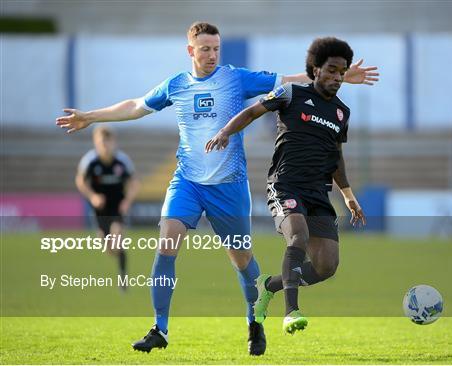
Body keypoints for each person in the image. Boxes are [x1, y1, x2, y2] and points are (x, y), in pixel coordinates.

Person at [56, 22, 378, 354]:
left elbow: (285, 81)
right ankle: (159, 328)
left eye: (216, 49)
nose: (212, 55)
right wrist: (91, 116)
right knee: (166, 244)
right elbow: (137, 106)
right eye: (206, 49)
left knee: (242, 262)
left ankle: (254, 321)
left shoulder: (235, 77)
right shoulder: (176, 85)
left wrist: (338, 77)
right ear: (190, 51)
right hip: (188, 182)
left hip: (229, 186)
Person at [206, 37, 367, 334]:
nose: (337, 77)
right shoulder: (291, 93)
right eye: (331, 70)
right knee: (298, 236)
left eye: (342, 73)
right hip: (285, 185)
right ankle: (291, 312)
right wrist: (226, 131)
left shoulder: (342, 113)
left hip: (319, 193)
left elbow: (336, 156)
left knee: (326, 266)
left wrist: (348, 194)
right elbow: (253, 111)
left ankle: (269, 285)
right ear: (315, 69)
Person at [76, 126, 139, 287]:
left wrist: (127, 201)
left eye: (107, 141)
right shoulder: (90, 161)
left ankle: (123, 278)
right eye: (101, 142)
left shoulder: (122, 161)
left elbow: (134, 183)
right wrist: (93, 196)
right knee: (109, 249)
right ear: (95, 143)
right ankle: (119, 259)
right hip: (100, 210)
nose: (104, 145)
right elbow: (80, 181)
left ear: (113, 142)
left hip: (117, 207)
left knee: (117, 238)